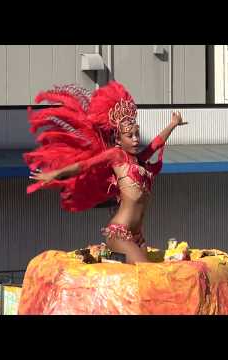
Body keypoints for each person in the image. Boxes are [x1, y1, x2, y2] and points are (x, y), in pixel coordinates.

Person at [26, 82, 187, 264]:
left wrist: (173, 124)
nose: (135, 140)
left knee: (140, 287)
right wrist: (53, 175)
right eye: (129, 136)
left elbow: (156, 143)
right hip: (120, 233)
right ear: (118, 138)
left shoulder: (140, 159)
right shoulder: (117, 156)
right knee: (147, 273)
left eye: (137, 134)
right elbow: (83, 166)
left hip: (137, 235)